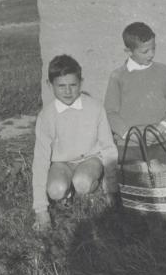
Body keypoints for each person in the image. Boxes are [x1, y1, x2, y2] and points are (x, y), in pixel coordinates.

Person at [32, 55, 118, 232]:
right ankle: (67, 191)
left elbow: (108, 148)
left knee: (83, 183)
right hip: (62, 163)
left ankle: (92, 184)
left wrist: (111, 187)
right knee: (56, 190)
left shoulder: (95, 108)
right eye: (61, 86)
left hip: (89, 159)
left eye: (73, 85)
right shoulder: (46, 116)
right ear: (50, 85)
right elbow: (40, 160)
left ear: (81, 83)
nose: (68, 91)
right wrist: (41, 209)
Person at [104, 22, 166, 164]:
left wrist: (160, 129)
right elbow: (110, 113)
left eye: (153, 48)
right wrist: (134, 136)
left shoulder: (164, 71)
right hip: (130, 145)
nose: (151, 54)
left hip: (162, 141)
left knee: (165, 176)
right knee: (133, 177)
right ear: (129, 51)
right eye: (145, 51)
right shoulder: (117, 76)